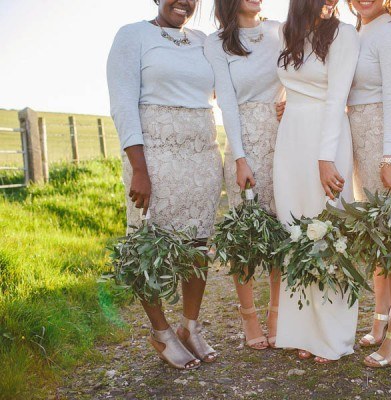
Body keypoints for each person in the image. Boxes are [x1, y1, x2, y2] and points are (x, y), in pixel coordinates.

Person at [106, 0, 222, 369]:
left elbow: (235, 85)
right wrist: (139, 168)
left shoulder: (205, 40)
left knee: (197, 245)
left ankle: (190, 326)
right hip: (155, 157)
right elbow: (123, 104)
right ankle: (161, 332)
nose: (183, 1)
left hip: (203, 155)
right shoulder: (132, 36)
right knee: (147, 245)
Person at [273, 0, 360, 364]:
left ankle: (333, 336)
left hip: (328, 138)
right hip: (291, 137)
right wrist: (283, 105)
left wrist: (326, 158)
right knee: (295, 229)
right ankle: (302, 332)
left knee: (328, 233)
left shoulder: (344, 34)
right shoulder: (285, 32)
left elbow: (337, 96)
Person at [205, 0, 285, 350]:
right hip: (245, 143)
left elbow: (303, 75)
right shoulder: (217, 41)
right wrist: (239, 157)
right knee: (245, 235)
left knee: (281, 229)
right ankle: (249, 316)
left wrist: (292, 103)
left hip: (285, 138)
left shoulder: (281, 31)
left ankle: (277, 314)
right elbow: (227, 103)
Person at [346, 0, 391, 368]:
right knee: (377, 239)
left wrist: (389, 159)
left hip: (387, 143)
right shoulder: (359, 30)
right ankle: (381, 318)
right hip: (363, 141)